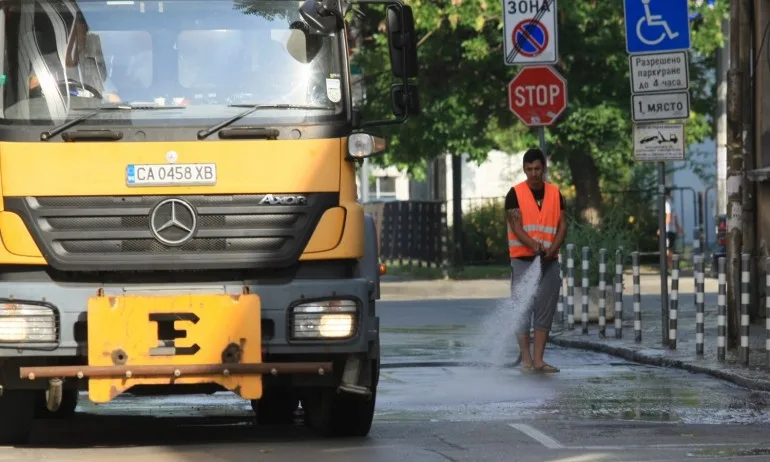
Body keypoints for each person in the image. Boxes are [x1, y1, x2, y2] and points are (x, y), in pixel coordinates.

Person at [504, 148, 568, 373]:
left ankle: (539, 360)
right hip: (524, 261)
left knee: (545, 309)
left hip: (549, 261)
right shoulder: (515, 193)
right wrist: (534, 246)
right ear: (524, 169)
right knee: (523, 309)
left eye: (537, 169)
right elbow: (516, 226)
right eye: (529, 169)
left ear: (544, 169)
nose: (533, 173)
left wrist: (553, 248)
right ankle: (526, 360)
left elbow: (562, 225)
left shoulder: (555, 193)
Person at [664, 191, 683, 268]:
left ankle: (672, 266)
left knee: (667, 250)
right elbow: (675, 217)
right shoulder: (672, 203)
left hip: (668, 230)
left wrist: (662, 228)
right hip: (672, 230)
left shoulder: (667, 204)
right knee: (670, 249)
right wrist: (678, 228)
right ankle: (672, 266)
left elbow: (669, 216)